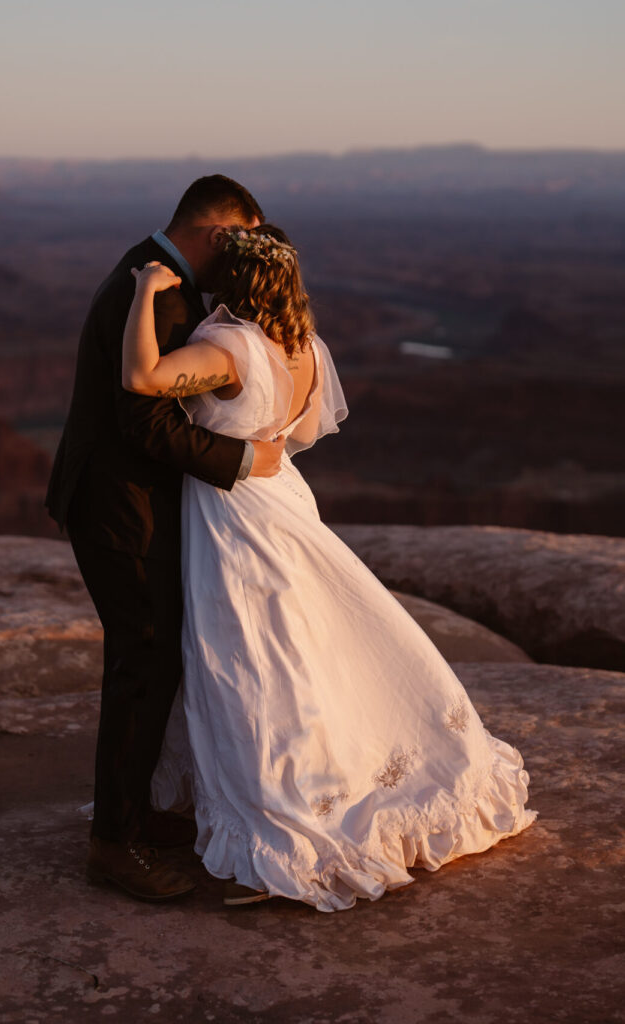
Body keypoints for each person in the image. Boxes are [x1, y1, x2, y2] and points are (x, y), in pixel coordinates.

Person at [121, 224, 538, 912]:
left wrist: (144, 290)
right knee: (304, 645)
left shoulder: (228, 348)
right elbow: (296, 435)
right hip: (281, 492)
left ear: (237, 284)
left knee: (252, 656)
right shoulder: (306, 348)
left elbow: (141, 378)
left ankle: (289, 817)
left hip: (236, 517)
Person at [45, 176, 287, 901]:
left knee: (153, 660)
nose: (239, 260)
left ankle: (139, 813)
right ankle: (112, 845)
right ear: (216, 235)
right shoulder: (157, 293)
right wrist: (247, 461)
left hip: (127, 503)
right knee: (141, 663)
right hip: (119, 509)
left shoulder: (154, 278)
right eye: (239, 241)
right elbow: (143, 422)